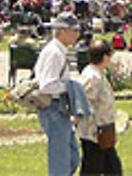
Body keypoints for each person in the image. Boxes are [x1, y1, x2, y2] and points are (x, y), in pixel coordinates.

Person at [34, 12, 84, 176]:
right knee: (60, 161)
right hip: (53, 108)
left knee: (72, 157)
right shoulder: (54, 53)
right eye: (74, 30)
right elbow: (47, 85)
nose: (78, 34)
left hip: (60, 108)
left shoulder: (59, 50)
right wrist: (71, 86)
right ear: (63, 31)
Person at [77, 40, 123, 175]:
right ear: (104, 57)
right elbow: (85, 103)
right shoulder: (93, 77)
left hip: (104, 131)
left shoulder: (97, 73)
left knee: (113, 169)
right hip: (95, 133)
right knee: (93, 169)